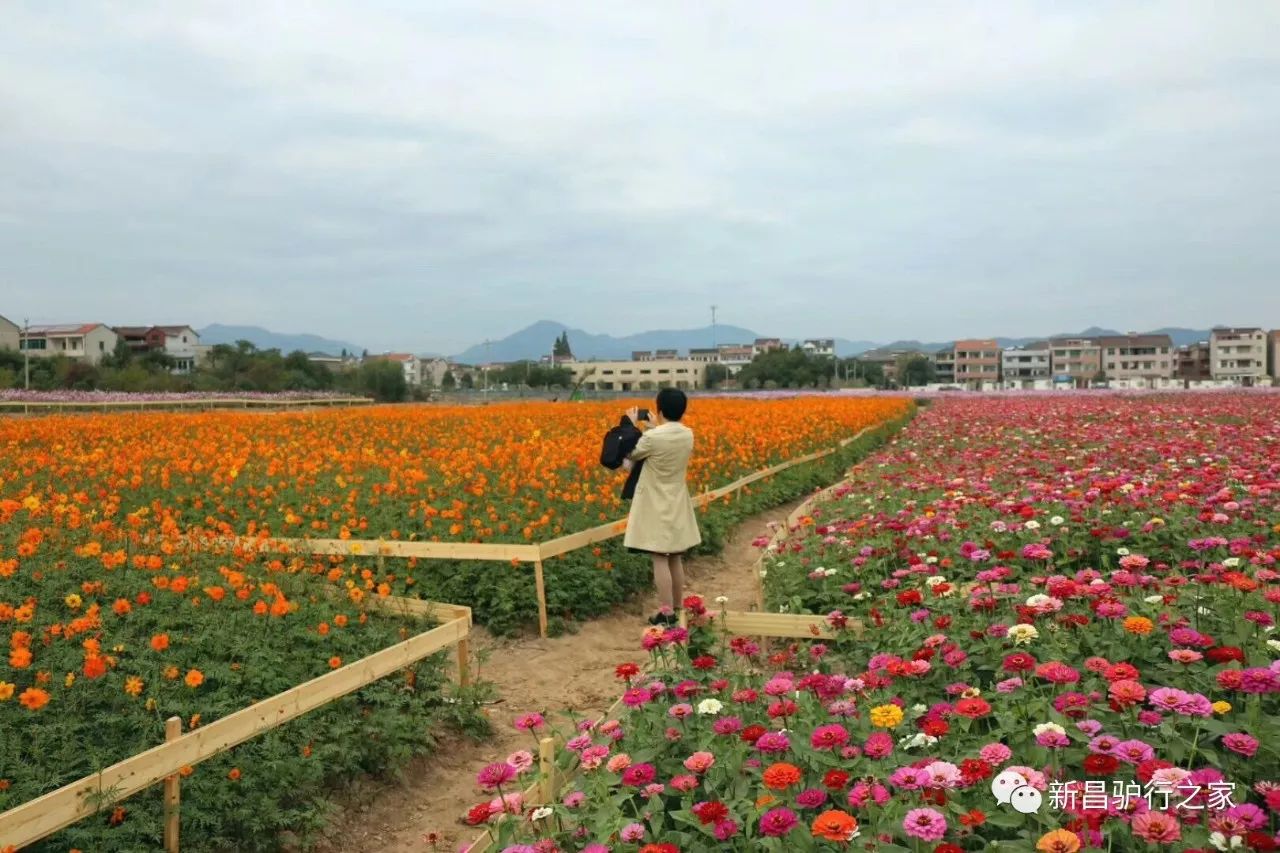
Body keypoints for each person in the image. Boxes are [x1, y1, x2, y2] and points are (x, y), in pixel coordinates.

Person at [622, 387, 702, 625]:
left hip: (656, 502)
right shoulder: (688, 434)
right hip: (677, 499)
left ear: (660, 409)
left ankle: (665, 613)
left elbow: (632, 453)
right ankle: (678, 608)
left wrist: (630, 424)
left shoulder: (653, 438)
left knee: (659, 556)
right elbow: (664, 439)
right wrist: (655, 427)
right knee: (675, 556)